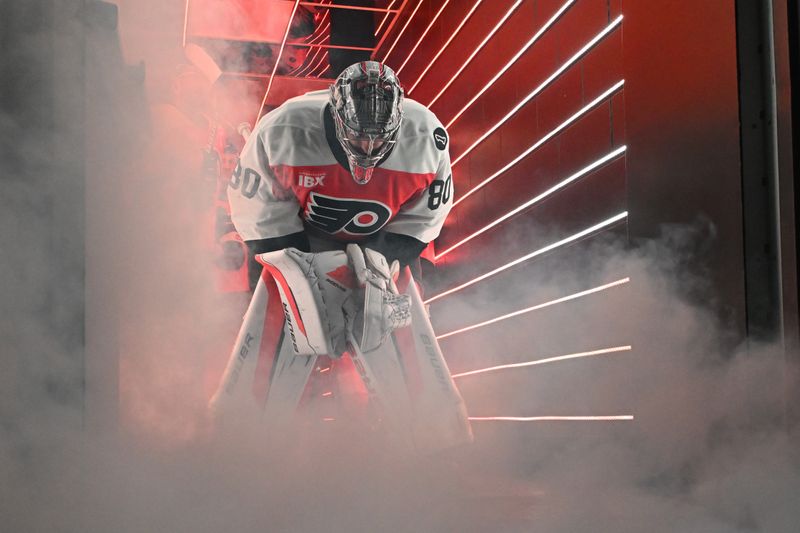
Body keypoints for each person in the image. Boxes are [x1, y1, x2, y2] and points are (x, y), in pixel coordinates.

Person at [227, 60, 454, 289]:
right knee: (272, 313)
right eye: (359, 136)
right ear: (336, 115)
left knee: (404, 316)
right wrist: (301, 270)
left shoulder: (427, 137)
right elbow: (259, 214)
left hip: (383, 236)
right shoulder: (281, 130)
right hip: (301, 235)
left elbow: (422, 219)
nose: (368, 147)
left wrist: (377, 264)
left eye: (380, 138)